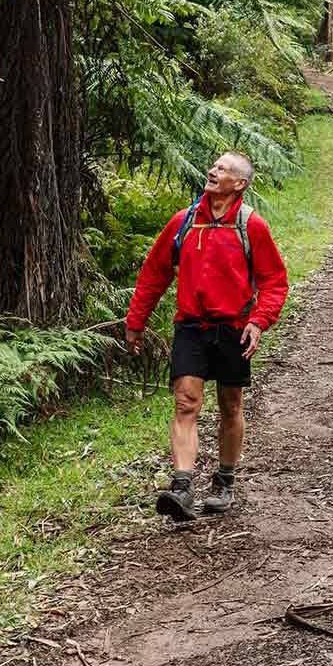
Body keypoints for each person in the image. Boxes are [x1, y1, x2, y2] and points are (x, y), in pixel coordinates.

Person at [125, 152, 289, 521]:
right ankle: (182, 487)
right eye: (214, 166)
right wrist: (136, 321)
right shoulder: (183, 223)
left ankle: (224, 480)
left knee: (231, 405)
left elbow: (275, 281)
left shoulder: (252, 227)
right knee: (186, 403)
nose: (213, 171)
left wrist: (259, 321)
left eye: (223, 169)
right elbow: (154, 274)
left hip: (234, 328)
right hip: (191, 327)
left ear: (240, 184)